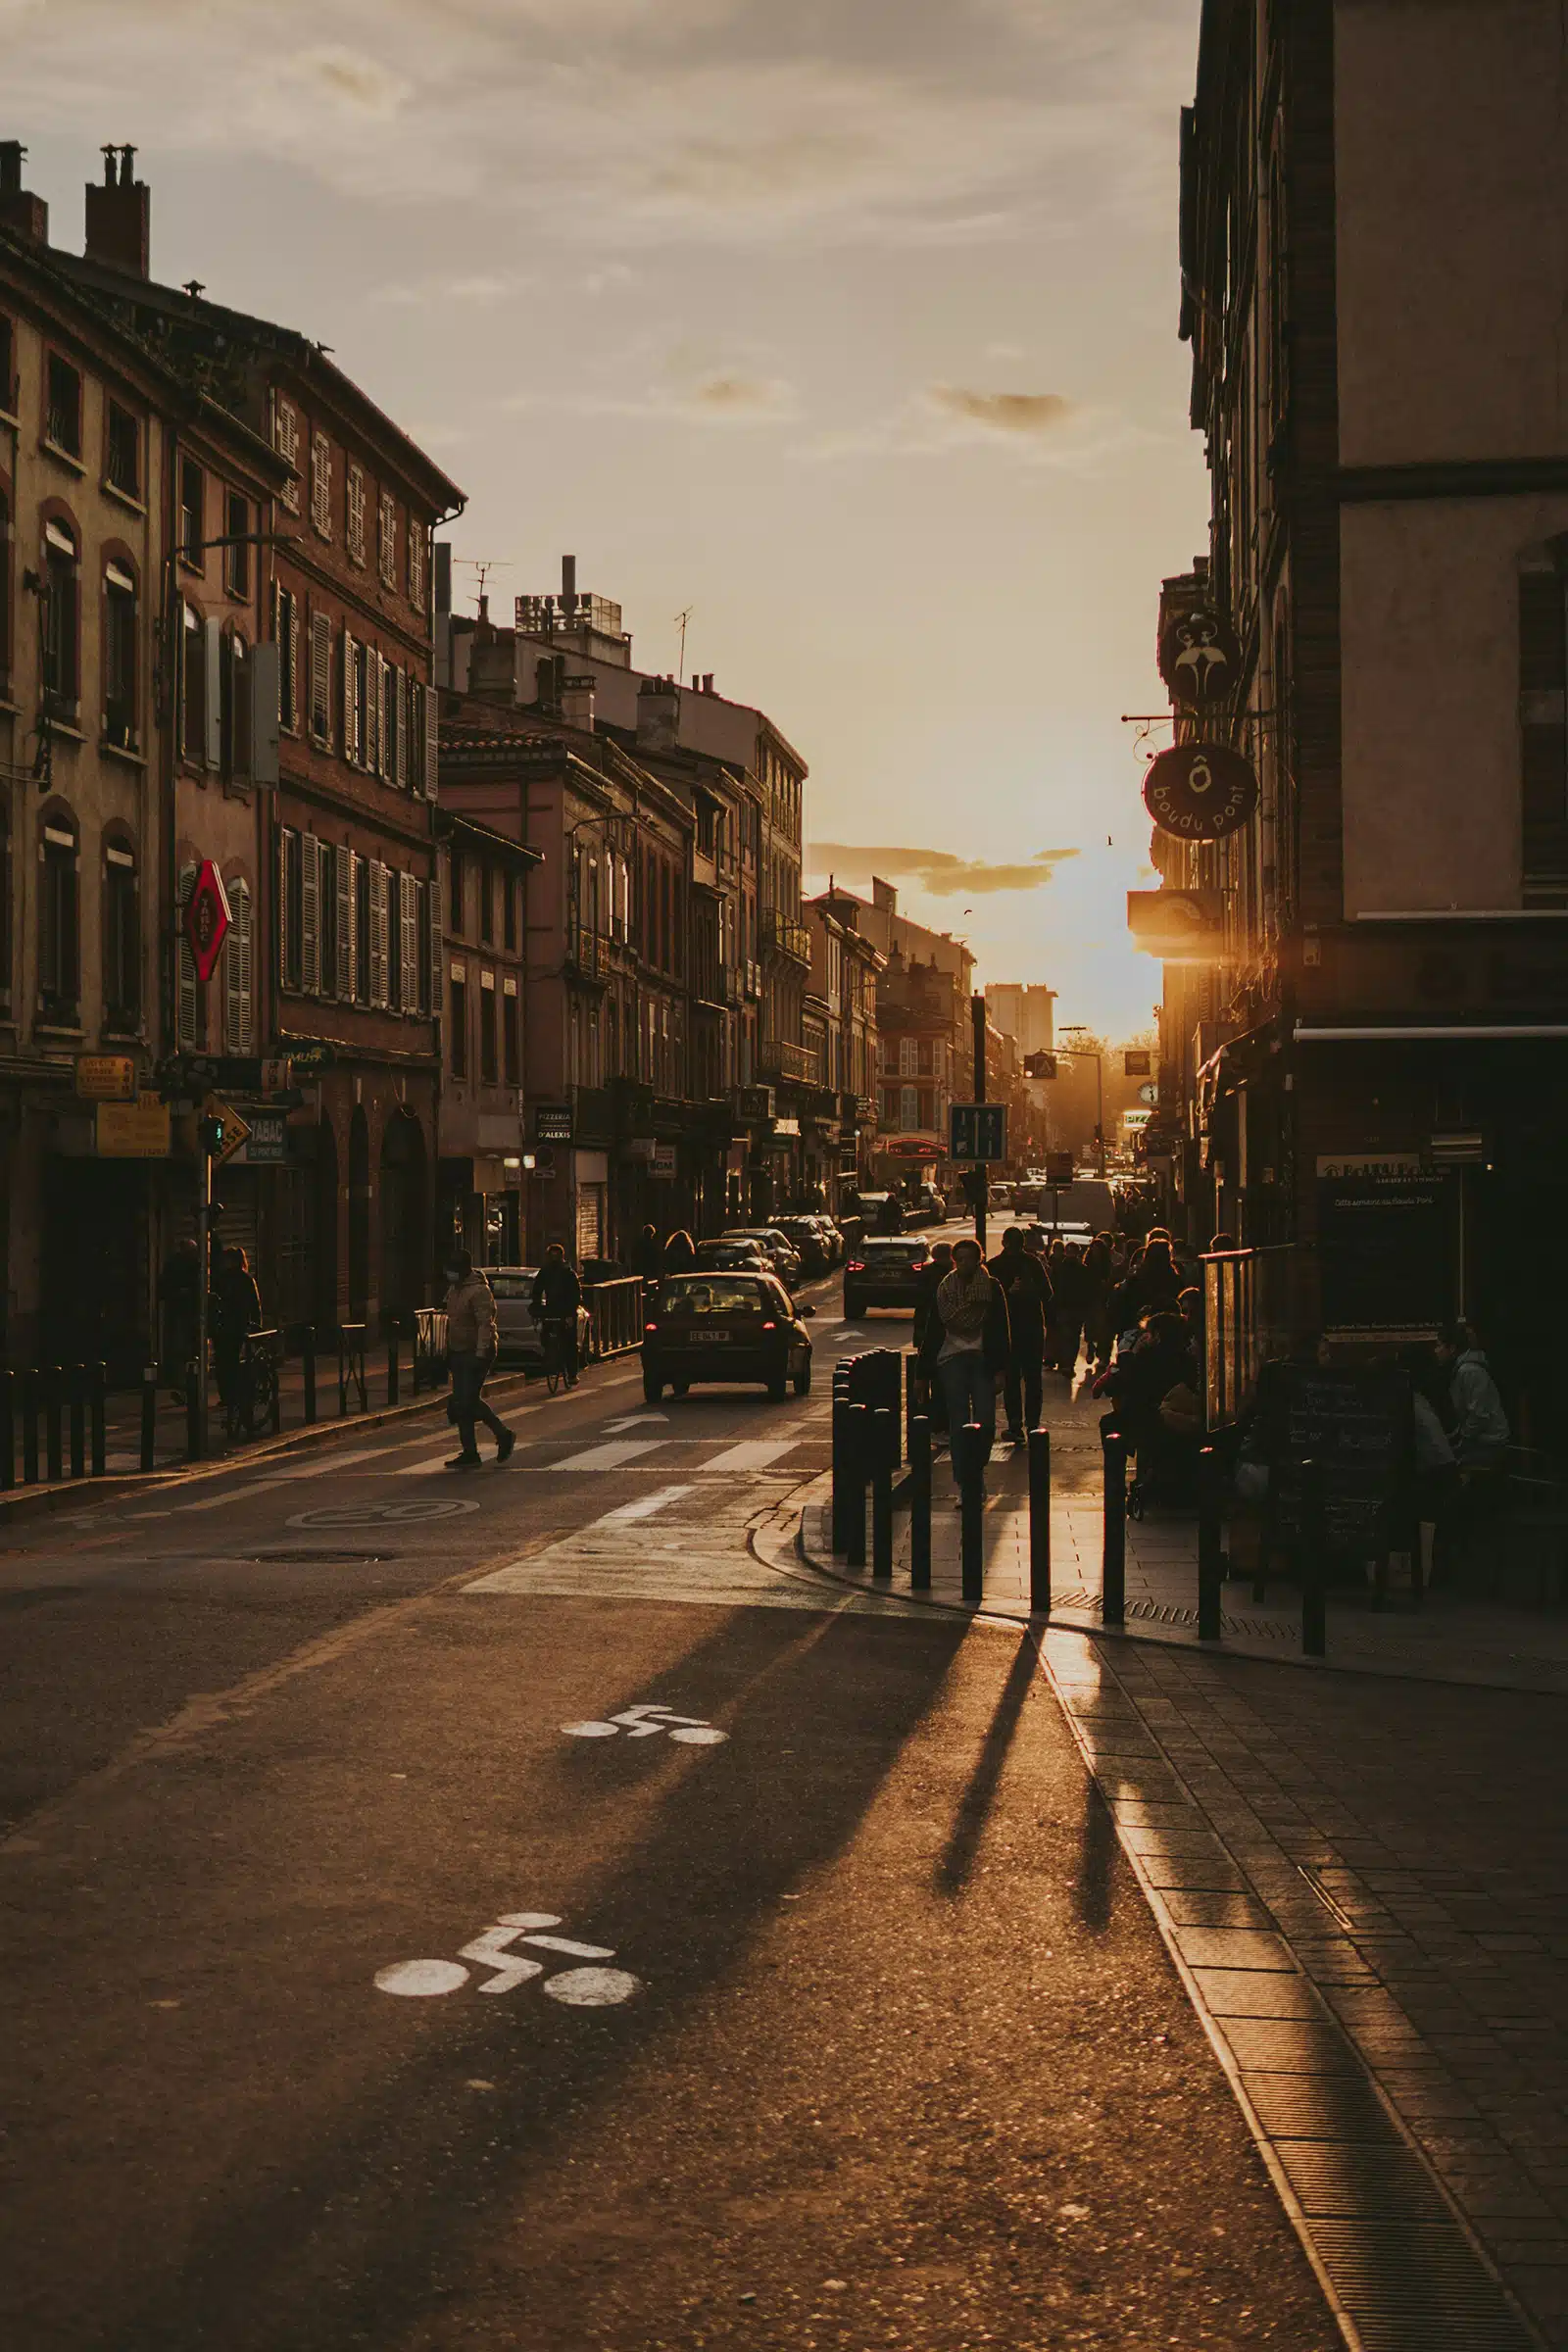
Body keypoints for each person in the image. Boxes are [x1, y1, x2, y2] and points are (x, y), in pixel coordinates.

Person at [917, 1237, 1011, 1488]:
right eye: (959, 1259)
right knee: (958, 1424)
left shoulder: (991, 1287)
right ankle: (964, 1483)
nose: (964, 1264)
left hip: (983, 1360)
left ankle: (976, 1470)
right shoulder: (944, 1289)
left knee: (986, 1422)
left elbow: (1002, 1331)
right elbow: (933, 1332)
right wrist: (922, 1374)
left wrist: (1002, 1370)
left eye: (969, 1259)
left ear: (979, 1259)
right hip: (951, 1360)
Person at [444, 1248, 514, 1468]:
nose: (450, 1273)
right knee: (462, 1402)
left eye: (454, 1269)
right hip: (458, 1350)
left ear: (465, 1269)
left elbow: (485, 1324)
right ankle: (470, 1451)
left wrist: (481, 1352)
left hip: (475, 1352)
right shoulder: (455, 1290)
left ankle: (502, 1434)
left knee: (467, 1400)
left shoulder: (479, 1291)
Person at [987, 1225, 1051, 1442]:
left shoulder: (993, 1266)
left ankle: (1015, 1424)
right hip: (1031, 1327)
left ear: (1004, 1242)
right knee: (1033, 1379)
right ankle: (1032, 1423)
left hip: (1008, 1329)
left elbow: (987, 1299)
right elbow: (1048, 1294)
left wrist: (1007, 1292)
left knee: (1012, 1379)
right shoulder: (1033, 1263)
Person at [1435, 1322, 1509, 1467]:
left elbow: (1479, 1415)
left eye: (1439, 1345)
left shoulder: (1469, 1371)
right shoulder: (1460, 1370)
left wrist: (1462, 1442)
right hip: (1481, 1441)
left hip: (1490, 1443)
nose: (1436, 1351)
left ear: (1452, 1348)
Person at [212, 1245, 263, 1434]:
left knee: (228, 1363)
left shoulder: (233, 1279)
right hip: (235, 1328)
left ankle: (231, 1396)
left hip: (231, 1329)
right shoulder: (241, 1279)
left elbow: (252, 1306)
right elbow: (255, 1307)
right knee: (232, 1363)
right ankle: (235, 1397)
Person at [530, 1242, 584, 1387]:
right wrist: (537, 1306)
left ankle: (572, 1373)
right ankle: (550, 1358)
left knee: (570, 1342)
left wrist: (571, 1311)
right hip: (552, 1309)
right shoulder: (546, 1272)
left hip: (565, 1310)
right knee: (548, 1334)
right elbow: (536, 1290)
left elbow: (575, 1294)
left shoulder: (568, 1273)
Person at [159, 1236, 200, 1398]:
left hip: (180, 1311)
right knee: (184, 1346)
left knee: (183, 1346)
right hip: (183, 1311)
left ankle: (183, 1380)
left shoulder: (177, 1265)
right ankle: (184, 1380)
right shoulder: (186, 1265)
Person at [1049, 1242, 1089, 1378]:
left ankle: (1066, 1363)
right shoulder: (1082, 1269)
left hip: (1066, 1307)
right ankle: (1068, 1363)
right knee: (1072, 1337)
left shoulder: (1060, 1269)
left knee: (1066, 1335)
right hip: (1073, 1307)